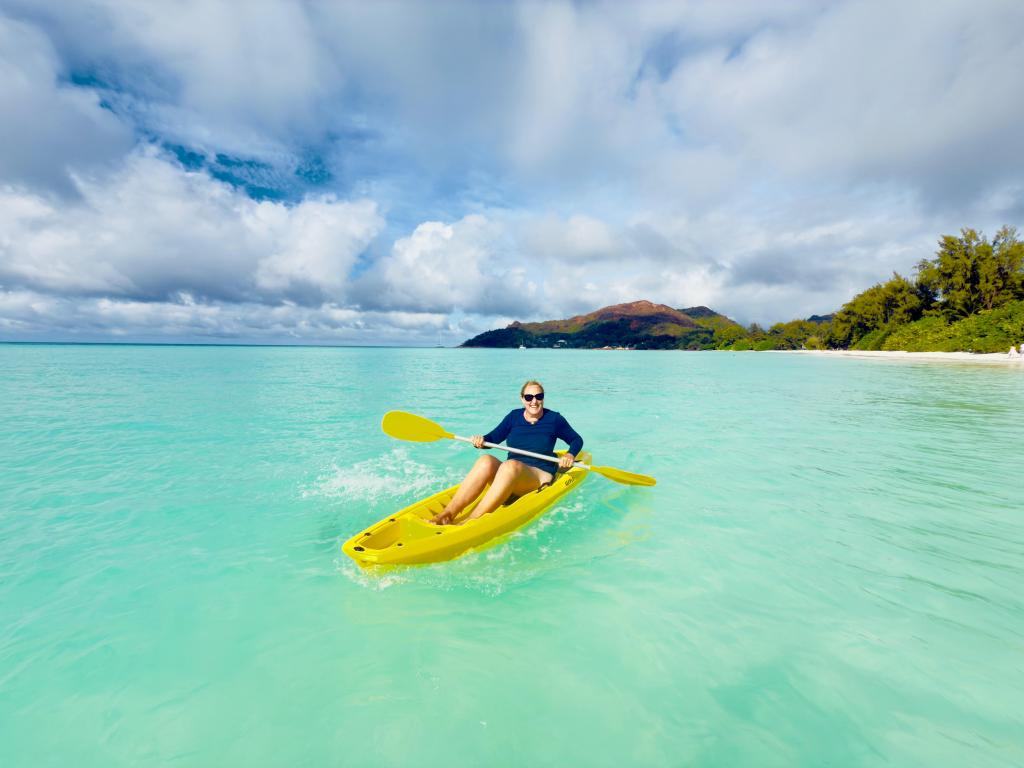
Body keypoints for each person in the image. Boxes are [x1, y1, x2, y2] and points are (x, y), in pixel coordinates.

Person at [429, 380, 584, 525]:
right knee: (486, 460)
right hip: (511, 473)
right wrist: (480, 440)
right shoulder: (513, 417)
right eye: (529, 397)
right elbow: (493, 438)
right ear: (522, 399)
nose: (534, 401)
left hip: (538, 475)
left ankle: (471, 521)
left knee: (510, 465)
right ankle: (447, 514)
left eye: (539, 396)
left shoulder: (554, 419)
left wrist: (570, 455)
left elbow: (576, 440)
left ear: (543, 398)